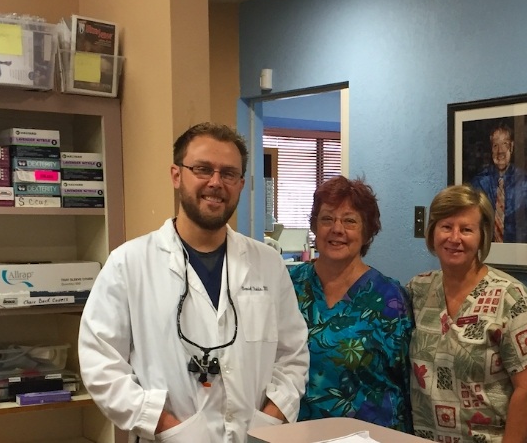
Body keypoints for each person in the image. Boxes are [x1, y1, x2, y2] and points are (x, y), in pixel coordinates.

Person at [78, 122, 310, 443]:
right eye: (202, 169)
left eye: (228, 174)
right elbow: (101, 364)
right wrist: (168, 427)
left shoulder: (267, 263)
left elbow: (292, 355)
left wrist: (270, 422)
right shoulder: (129, 263)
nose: (216, 182)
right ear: (176, 175)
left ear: (241, 184)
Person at [406, 185, 527, 443]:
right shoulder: (418, 290)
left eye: (466, 229)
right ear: (432, 232)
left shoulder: (513, 299)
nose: (454, 237)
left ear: (482, 236)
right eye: (446, 226)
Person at [289, 176, 413, 433]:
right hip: (296, 433)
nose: (337, 229)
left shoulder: (389, 299)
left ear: (366, 231)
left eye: (349, 221)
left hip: (369, 435)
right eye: (327, 219)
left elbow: (404, 383)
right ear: (314, 226)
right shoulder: (288, 285)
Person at [470, 122, 527, 244]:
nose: (500, 151)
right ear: (491, 149)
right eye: (495, 145)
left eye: (505, 144)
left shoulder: (526, 183)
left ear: (512, 147)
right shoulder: (479, 183)